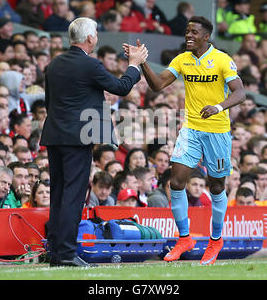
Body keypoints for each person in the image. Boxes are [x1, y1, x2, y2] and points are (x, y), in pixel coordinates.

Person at [124, 16, 245, 265]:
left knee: (217, 187)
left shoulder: (222, 60)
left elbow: (240, 92)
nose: (188, 35)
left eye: (194, 32)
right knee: (176, 181)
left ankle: (215, 240)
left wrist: (219, 107)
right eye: (187, 31)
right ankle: (185, 238)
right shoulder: (182, 60)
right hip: (191, 128)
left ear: (206, 37)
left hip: (218, 131)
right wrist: (142, 62)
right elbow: (157, 85)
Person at [39, 17, 147, 267]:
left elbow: (49, 102)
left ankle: (56, 252)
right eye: (96, 32)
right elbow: (121, 87)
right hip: (77, 139)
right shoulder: (89, 65)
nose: (96, 36)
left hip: (55, 136)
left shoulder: (54, 64)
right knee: (73, 196)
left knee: (58, 194)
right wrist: (134, 65)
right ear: (90, 38)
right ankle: (66, 254)